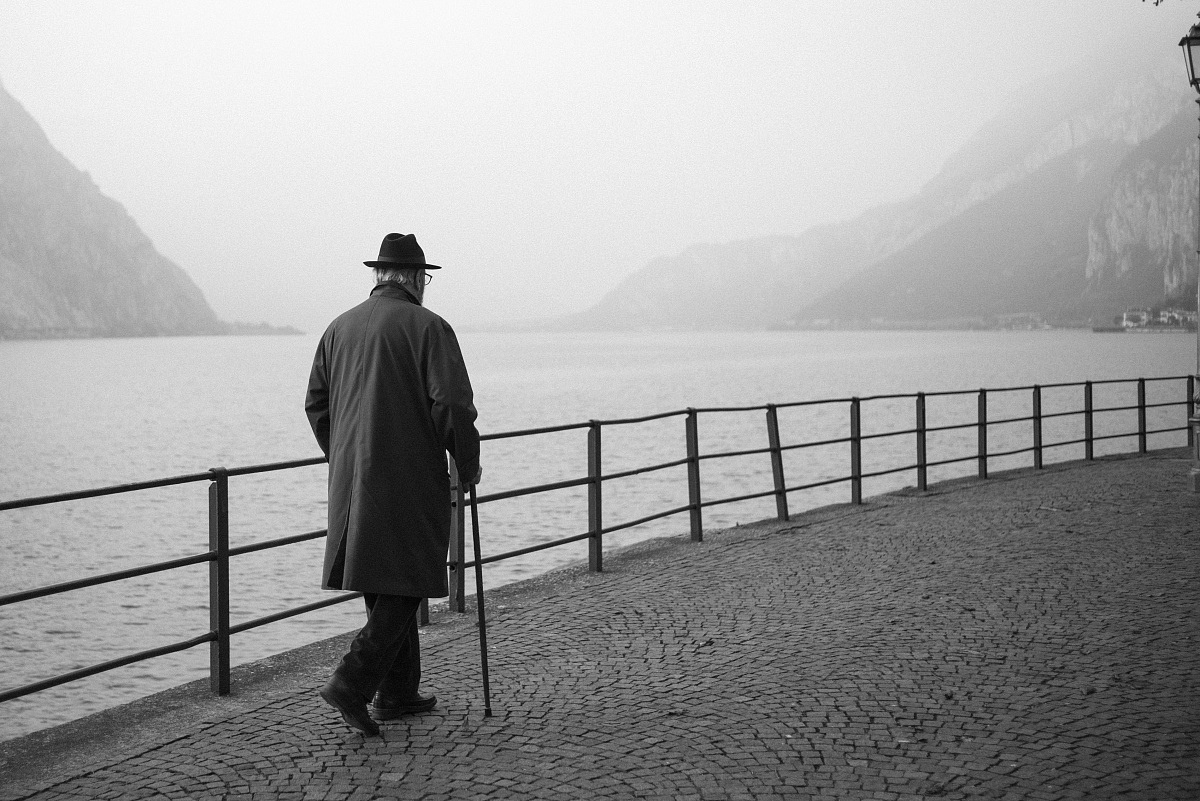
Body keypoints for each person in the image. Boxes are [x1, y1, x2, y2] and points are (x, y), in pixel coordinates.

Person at [305, 232, 481, 736]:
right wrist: (467, 464)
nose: (425, 286)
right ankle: (352, 681)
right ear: (411, 279)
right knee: (407, 580)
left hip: (352, 481)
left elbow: (316, 405)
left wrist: (343, 456)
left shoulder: (338, 328)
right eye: (424, 278)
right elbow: (450, 406)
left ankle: (396, 693)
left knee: (382, 574)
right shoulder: (428, 327)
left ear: (379, 276)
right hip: (407, 478)